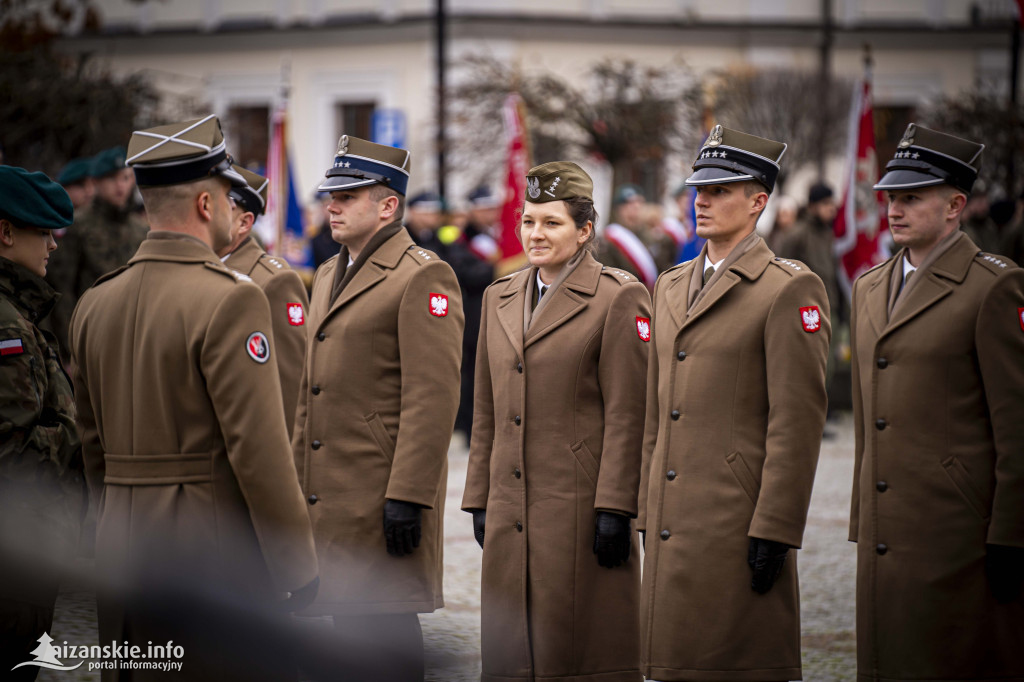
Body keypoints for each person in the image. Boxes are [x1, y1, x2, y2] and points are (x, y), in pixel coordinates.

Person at [69, 116, 319, 681]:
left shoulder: (94, 302)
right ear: (207, 204)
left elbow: (93, 451)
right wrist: (297, 566)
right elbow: (259, 452)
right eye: (229, 196)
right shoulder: (231, 300)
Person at [638, 125, 830, 681]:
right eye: (699, 188)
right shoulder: (672, 284)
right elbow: (658, 408)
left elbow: (796, 423)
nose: (702, 199)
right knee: (674, 666)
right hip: (674, 519)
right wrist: (648, 506)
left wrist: (775, 527)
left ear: (758, 202)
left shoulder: (786, 288)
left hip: (737, 520)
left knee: (736, 665)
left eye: (721, 189)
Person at [848, 123, 1024, 680]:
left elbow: (1017, 427)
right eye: (890, 198)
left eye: (911, 198)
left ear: (954, 206)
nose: (894, 210)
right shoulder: (870, 285)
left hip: (957, 532)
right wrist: (862, 515)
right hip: (887, 527)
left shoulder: (993, 286)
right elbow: (867, 415)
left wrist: (1011, 535)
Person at [462, 161, 651, 682]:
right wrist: (480, 496)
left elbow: (629, 413)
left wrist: (617, 507)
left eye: (552, 222)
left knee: (577, 656)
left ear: (584, 230)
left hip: (578, 508)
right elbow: (486, 408)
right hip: (509, 506)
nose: (535, 234)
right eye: (528, 221)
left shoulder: (619, 296)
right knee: (510, 655)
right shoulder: (499, 295)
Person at [292, 135, 463, 681]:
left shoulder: (421, 275)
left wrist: (408, 494)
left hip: (381, 493)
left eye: (348, 195)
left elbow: (432, 395)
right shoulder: (325, 273)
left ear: (388, 206)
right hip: (332, 489)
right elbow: (309, 391)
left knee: (384, 632)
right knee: (347, 636)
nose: (331, 206)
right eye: (330, 195)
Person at [0, 167, 85, 681]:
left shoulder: (18, 312)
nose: (52, 245)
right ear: (6, 233)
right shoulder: (7, 324)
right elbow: (13, 454)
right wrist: (81, 433)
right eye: (42, 231)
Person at [218, 165, 308, 438]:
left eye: (222, 203)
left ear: (244, 223)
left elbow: (292, 384)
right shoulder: (197, 270)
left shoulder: (273, 281)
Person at [47, 147, 148, 360]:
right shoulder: (78, 227)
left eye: (126, 178)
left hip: (134, 339)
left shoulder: (140, 230)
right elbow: (63, 290)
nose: (120, 186)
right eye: (112, 179)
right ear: (96, 183)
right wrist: (69, 350)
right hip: (91, 339)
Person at [597, 184, 660, 289]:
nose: (635, 207)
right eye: (629, 203)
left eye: (639, 203)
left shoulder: (648, 237)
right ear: (619, 209)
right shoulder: (609, 239)